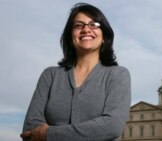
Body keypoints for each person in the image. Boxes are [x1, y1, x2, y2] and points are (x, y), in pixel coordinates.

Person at [20, 3, 131, 141]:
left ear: (104, 37)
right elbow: (30, 128)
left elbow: (112, 126)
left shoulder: (118, 75)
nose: (86, 29)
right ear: (70, 37)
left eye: (94, 24)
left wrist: (48, 134)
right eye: (78, 25)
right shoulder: (50, 75)